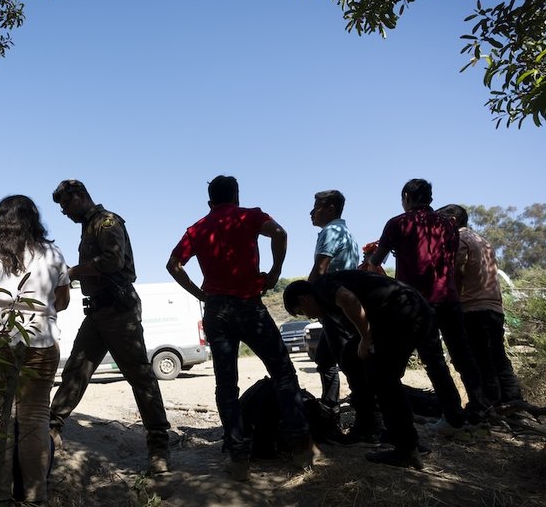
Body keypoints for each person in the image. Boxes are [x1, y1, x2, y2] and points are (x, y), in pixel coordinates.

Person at [166, 175, 314, 481]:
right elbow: (280, 233)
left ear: (210, 202)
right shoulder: (249, 216)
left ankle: (238, 458)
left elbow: (173, 265)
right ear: (236, 196)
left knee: (227, 385)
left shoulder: (197, 228)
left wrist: (200, 294)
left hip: (217, 310)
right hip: (250, 307)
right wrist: (274, 272)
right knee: (283, 373)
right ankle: (301, 449)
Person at [48, 179, 171, 474]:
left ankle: (159, 447)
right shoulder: (89, 227)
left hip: (119, 310)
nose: (64, 211)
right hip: (99, 311)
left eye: (65, 204)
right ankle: (51, 428)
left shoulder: (106, 222)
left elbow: (113, 261)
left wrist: (73, 272)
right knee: (76, 370)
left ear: (79, 197)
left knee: (140, 377)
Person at [283, 271, 446, 470]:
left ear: (303, 299)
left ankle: (405, 447)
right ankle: (380, 429)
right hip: (415, 310)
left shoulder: (321, 287)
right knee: (354, 358)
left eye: (301, 311)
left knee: (383, 379)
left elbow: (348, 298)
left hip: (403, 314)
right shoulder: (328, 302)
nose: (307, 316)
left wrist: (366, 337)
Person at [363, 179, 487, 431]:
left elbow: (377, 260)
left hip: (417, 302)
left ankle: (452, 417)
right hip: (449, 298)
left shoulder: (398, 223)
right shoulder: (450, 226)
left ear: (407, 196)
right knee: (462, 355)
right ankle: (481, 408)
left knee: (432, 359)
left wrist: (376, 254)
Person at [0, 195, 71, 504]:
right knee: (35, 419)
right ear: (34, 220)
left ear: (0, 221)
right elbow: (63, 301)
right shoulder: (53, 254)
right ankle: (34, 497)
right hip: (40, 341)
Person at [436, 204, 523, 409]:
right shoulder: (483, 241)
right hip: (494, 308)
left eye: (441, 222)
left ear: (453, 222)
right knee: (498, 357)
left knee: (479, 359)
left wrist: (452, 301)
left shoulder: (459, 239)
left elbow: (456, 271)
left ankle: (487, 406)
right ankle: (514, 403)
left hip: (472, 308)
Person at [306, 191, 364, 419]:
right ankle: (330, 406)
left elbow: (320, 270)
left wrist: (307, 295)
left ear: (330, 208)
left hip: (335, 306)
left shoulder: (330, 231)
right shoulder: (346, 232)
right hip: (342, 304)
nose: (312, 212)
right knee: (325, 359)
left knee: (348, 362)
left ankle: (367, 417)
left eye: (316, 207)